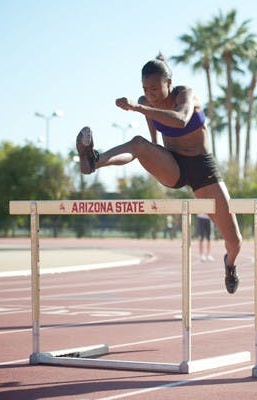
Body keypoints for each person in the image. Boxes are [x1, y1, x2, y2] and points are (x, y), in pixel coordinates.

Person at [75, 53, 241, 294]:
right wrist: (154, 151)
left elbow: (181, 120)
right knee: (138, 144)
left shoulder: (186, 94)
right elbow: (153, 134)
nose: (150, 93)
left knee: (235, 241)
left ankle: (230, 263)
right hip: (173, 164)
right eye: (145, 88)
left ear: (169, 83)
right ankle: (94, 160)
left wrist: (138, 107)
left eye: (155, 88)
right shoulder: (147, 102)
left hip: (201, 168)